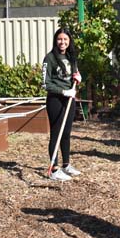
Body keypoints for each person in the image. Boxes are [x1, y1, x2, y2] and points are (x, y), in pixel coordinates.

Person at [42, 27, 82, 181]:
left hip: (69, 99)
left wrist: (78, 77)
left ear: (69, 41)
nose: (62, 42)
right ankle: (54, 169)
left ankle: (66, 165)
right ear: (55, 40)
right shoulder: (50, 58)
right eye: (59, 39)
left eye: (65, 39)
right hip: (56, 100)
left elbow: (73, 74)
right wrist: (63, 92)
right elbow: (45, 84)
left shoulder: (72, 57)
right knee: (56, 133)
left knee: (66, 134)